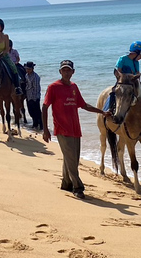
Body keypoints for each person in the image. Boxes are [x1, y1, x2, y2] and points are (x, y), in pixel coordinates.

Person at [42, 60, 111, 199]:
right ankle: (78, 187)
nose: (66, 72)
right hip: (62, 129)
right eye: (64, 70)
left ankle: (66, 183)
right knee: (72, 159)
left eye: (69, 70)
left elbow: (84, 105)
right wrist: (45, 130)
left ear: (73, 72)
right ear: (60, 72)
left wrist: (102, 111)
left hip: (75, 129)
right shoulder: (53, 87)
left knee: (71, 158)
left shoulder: (74, 87)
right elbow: (45, 107)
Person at [24, 61, 42, 131]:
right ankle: (35, 124)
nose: (27, 70)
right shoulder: (26, 75)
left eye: (29, 69)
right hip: (28, 96)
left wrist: (35, 98)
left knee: (37, 111)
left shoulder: (36, 77)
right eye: (26, 69)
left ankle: (40, 125)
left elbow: (36, 88)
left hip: (35, 97)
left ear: (32, 68)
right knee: (30, 111)